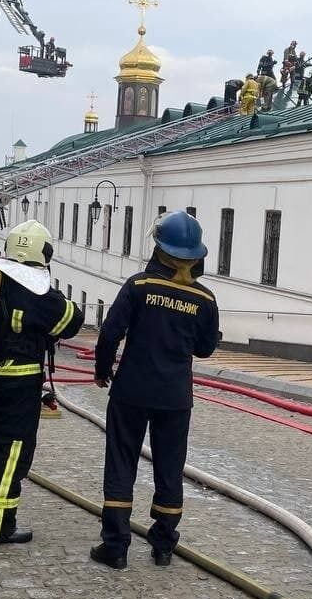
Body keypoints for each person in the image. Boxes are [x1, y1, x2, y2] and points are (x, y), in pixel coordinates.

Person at [90, 211, 219, 570]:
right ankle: (163, 545)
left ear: (159, 248)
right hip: (175, 397)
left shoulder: (139, 286)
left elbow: (110, 334)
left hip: (131, 390)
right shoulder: (206, 300)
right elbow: (205, 349)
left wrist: (103, 371)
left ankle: (115, 546)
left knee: (121, 463)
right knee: (169, 468)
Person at [0, 220, 84, 543]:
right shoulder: (37, 290)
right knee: (12, 449)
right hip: (19, 383)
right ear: (43, 252)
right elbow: (71, 320)